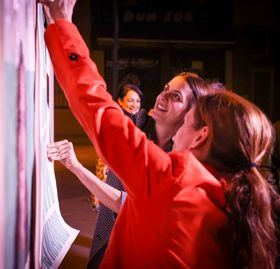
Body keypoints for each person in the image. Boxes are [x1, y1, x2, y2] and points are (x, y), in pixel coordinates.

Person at [40, 1, 279, 268]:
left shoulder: (174, 179)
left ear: (201, 136)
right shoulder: (234, 208)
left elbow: (98, 110)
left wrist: (62, 23)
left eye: (187, 119)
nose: (178, 131)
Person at [91, 83, 145, 209]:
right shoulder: (115, 120)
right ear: (120, 101)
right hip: (113, 177)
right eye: (130, 100)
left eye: (138, 101)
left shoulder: (139, 120)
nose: (135, 104)